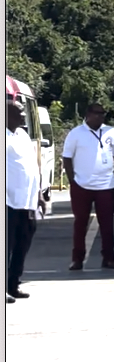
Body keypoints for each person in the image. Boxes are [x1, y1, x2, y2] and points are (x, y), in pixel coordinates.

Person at [63, 103, 114, 270]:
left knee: (107, 224)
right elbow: (67, 158)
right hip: (81, 185)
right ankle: (77, 259)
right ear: (88, 114)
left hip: (105, 186)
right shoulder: (76, 134)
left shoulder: (111, 132)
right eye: (97, 113)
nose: (101, 117)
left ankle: (109, 258)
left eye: (103, 114)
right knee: (80, 223)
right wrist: (73, 181)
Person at [7, 100, 40, 303]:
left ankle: (13, 284)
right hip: (8, 201)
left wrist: (39, 195)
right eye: (19, 112)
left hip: (27, 201)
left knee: (22, 244)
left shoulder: (23, 135)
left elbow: (32, 165)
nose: (23, 116)